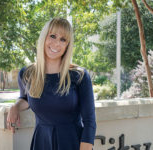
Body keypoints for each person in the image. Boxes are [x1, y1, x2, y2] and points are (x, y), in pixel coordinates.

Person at [7, 17, 96, 150]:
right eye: (53, 36)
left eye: (63, 39)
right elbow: (26, 98)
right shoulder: (27, 73)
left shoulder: (79, 76)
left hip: (72, 143)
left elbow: (89, 121)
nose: (56, 43)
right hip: (41, 142)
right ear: (44, 37)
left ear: (67, 45)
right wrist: (15, 107)